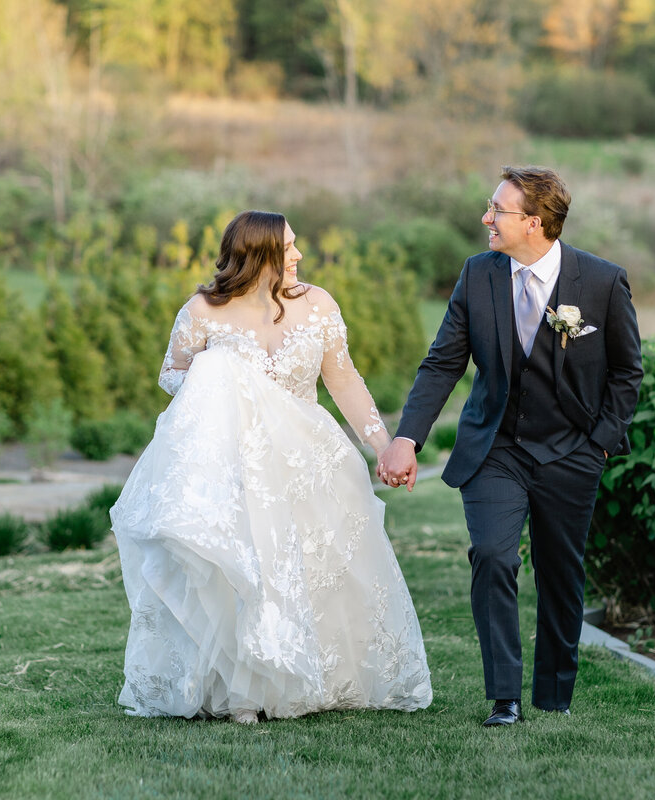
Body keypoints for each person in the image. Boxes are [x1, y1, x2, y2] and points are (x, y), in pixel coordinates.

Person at [111, 210, 432, 724]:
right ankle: (241, 689)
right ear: (257, 257)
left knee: (309, 569)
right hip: (236, 463)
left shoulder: (318, 305)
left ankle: (304, 675)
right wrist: (223, 377)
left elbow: (343, 379)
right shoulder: (202, 311)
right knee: (245, 570)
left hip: (307, 458)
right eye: (287, 249)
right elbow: (171, 375)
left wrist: (382, 444)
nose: (299, 255)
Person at [378, 166, 642, 727]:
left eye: (497, 210)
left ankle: (552, 692)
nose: (486, 219)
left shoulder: (599, 281)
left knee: (559, 572)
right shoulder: (478, 275)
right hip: (495, 446)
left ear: (536, 222)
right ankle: (505, 697)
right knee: (494, 556)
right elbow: (443, 361)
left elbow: (626, 372)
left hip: (572, 450)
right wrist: (407, 437)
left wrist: (599, 444)